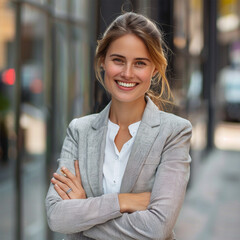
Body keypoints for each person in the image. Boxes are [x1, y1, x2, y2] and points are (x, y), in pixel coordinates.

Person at [45, 11, 192, 240]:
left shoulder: (174, 132)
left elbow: (156, 228)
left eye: (140, 63)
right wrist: (123, 201)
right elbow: (56, 216)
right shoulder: (79, 131)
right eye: (118, 60)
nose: (127, 73)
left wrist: (83, 212)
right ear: (102, 61)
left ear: (154, 68)